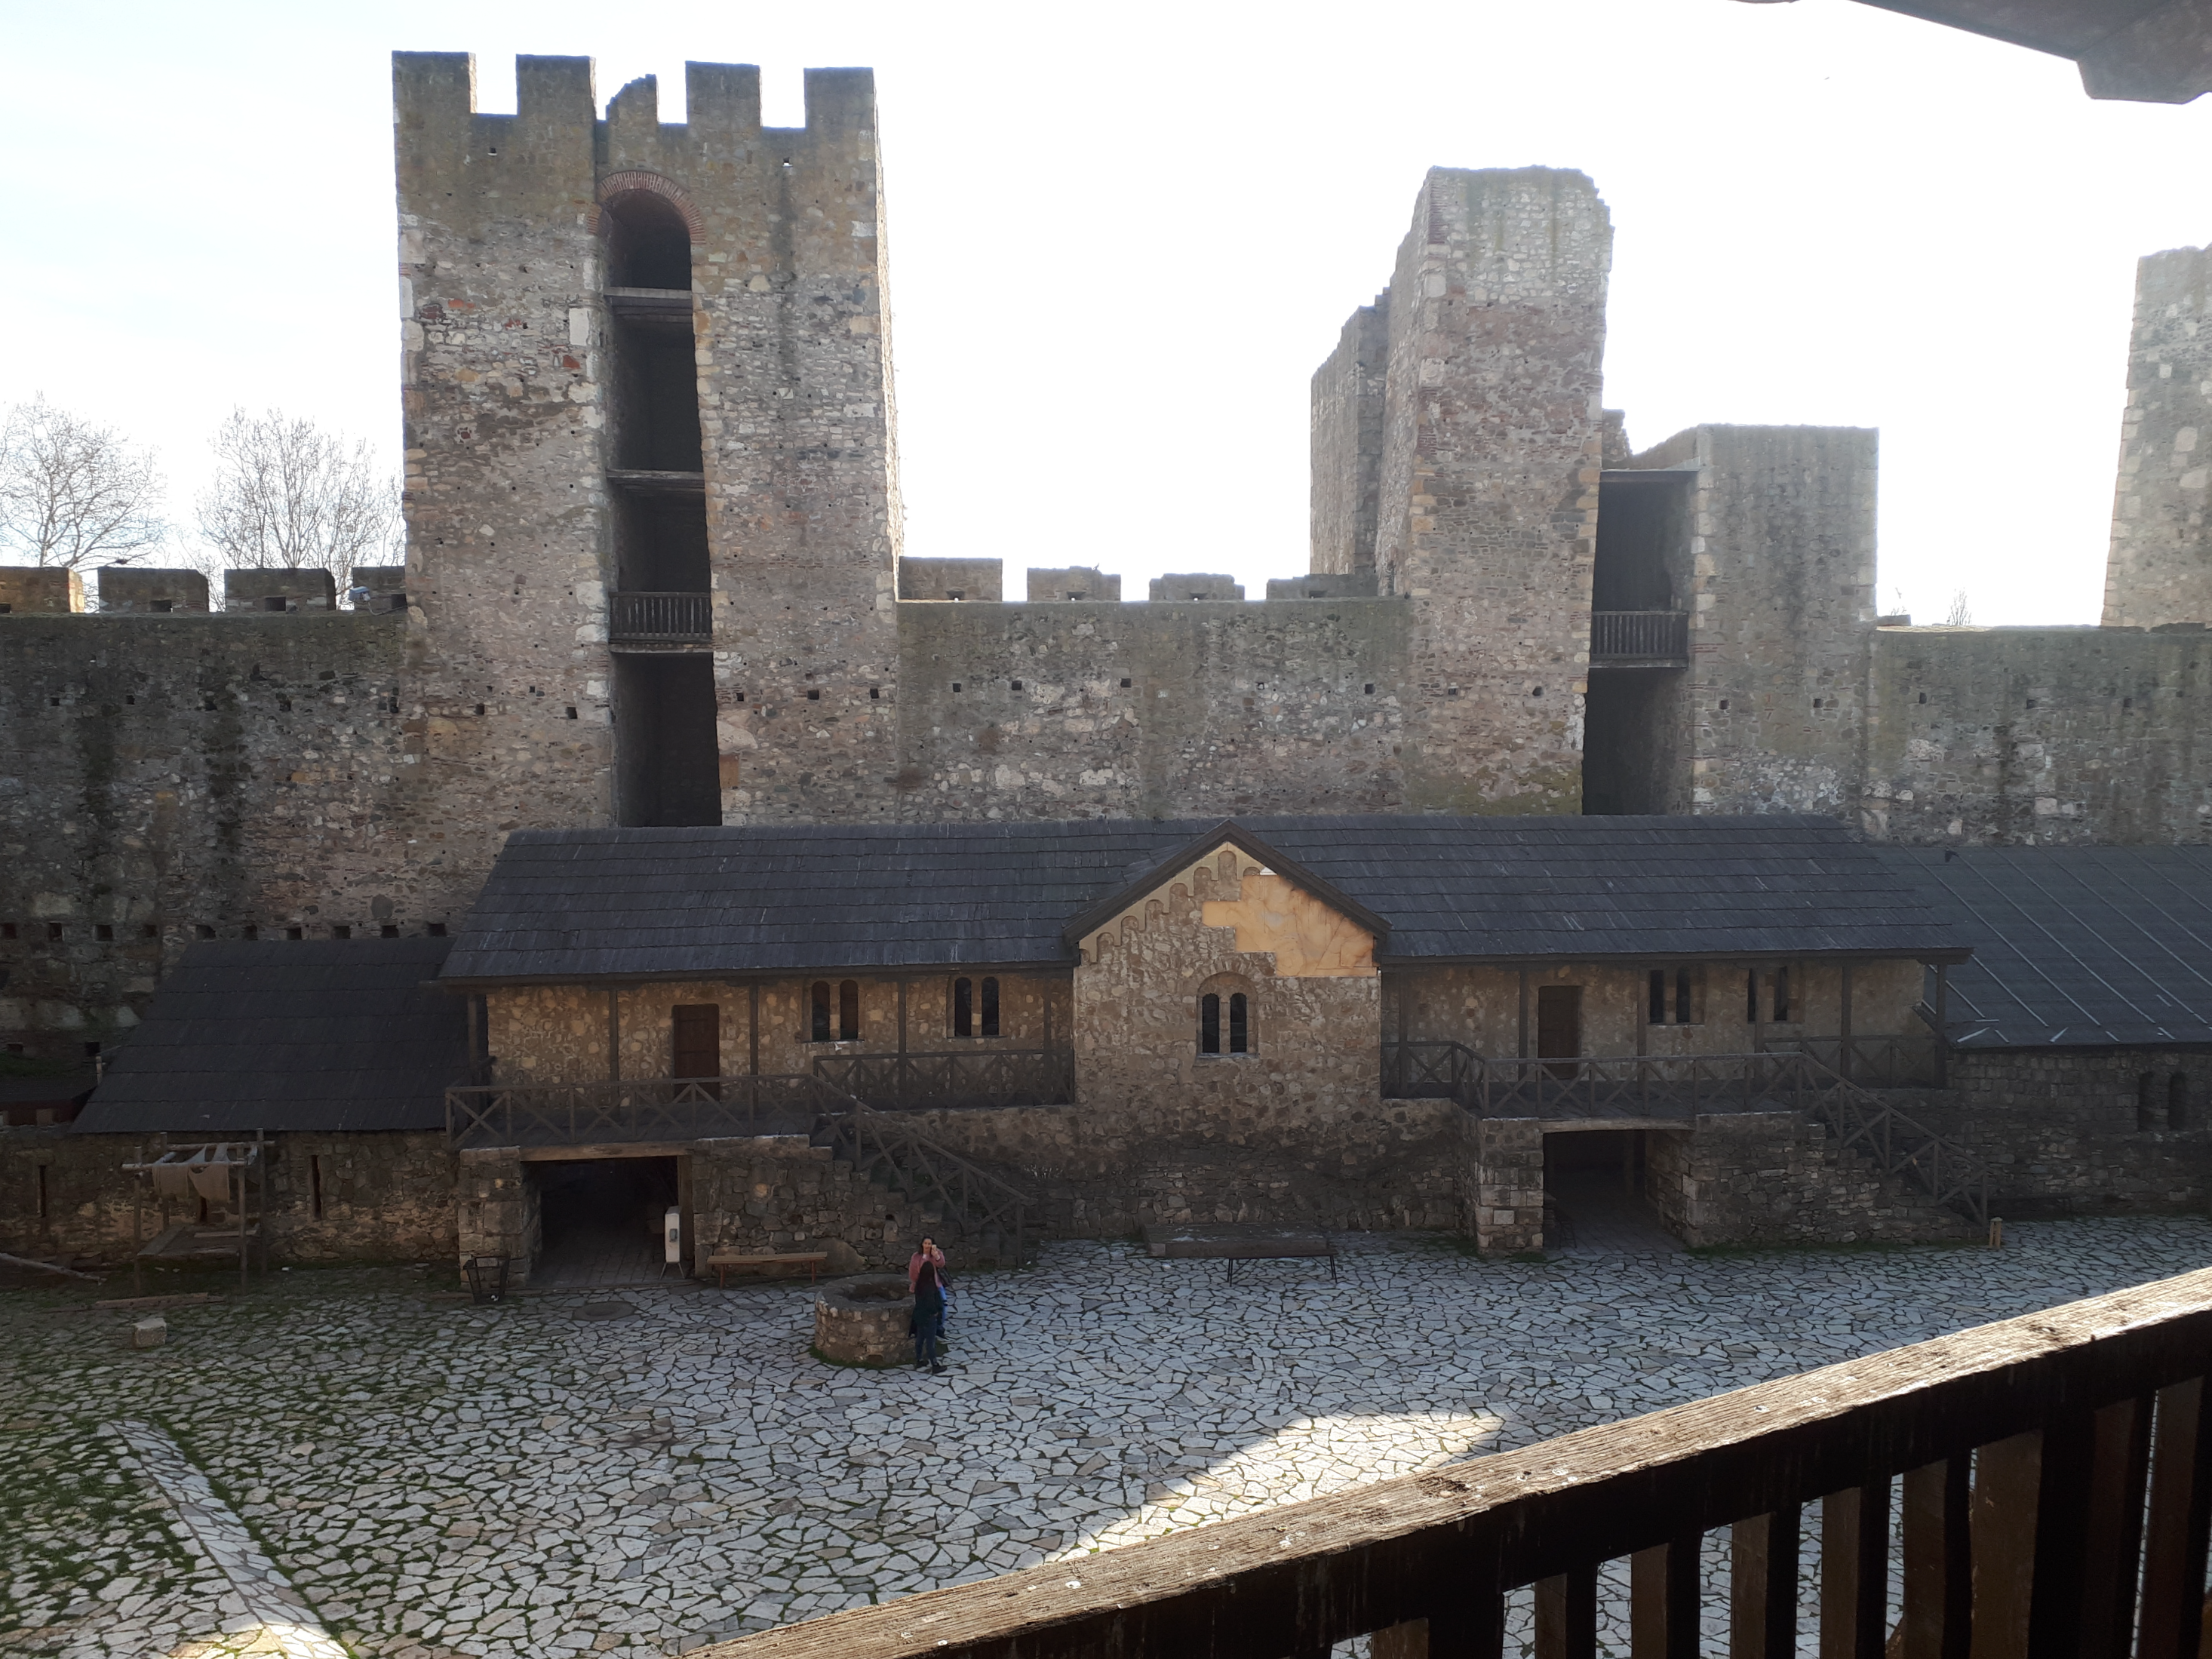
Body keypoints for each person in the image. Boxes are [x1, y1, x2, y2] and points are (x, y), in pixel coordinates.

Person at [908, 1236, 948, 1375]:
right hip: (929, 1315)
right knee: (930, 1341)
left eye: (929, 1243)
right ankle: (934, 1364)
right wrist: (935, 1313)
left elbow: (941, 1263)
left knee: (920, 1338)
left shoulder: (920, 1288)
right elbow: (932, 1303)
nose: (927, 1245)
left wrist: (936, 1256)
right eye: (925, 1243)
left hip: (920, 1314)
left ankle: (919, 1360)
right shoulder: (930, 1289)